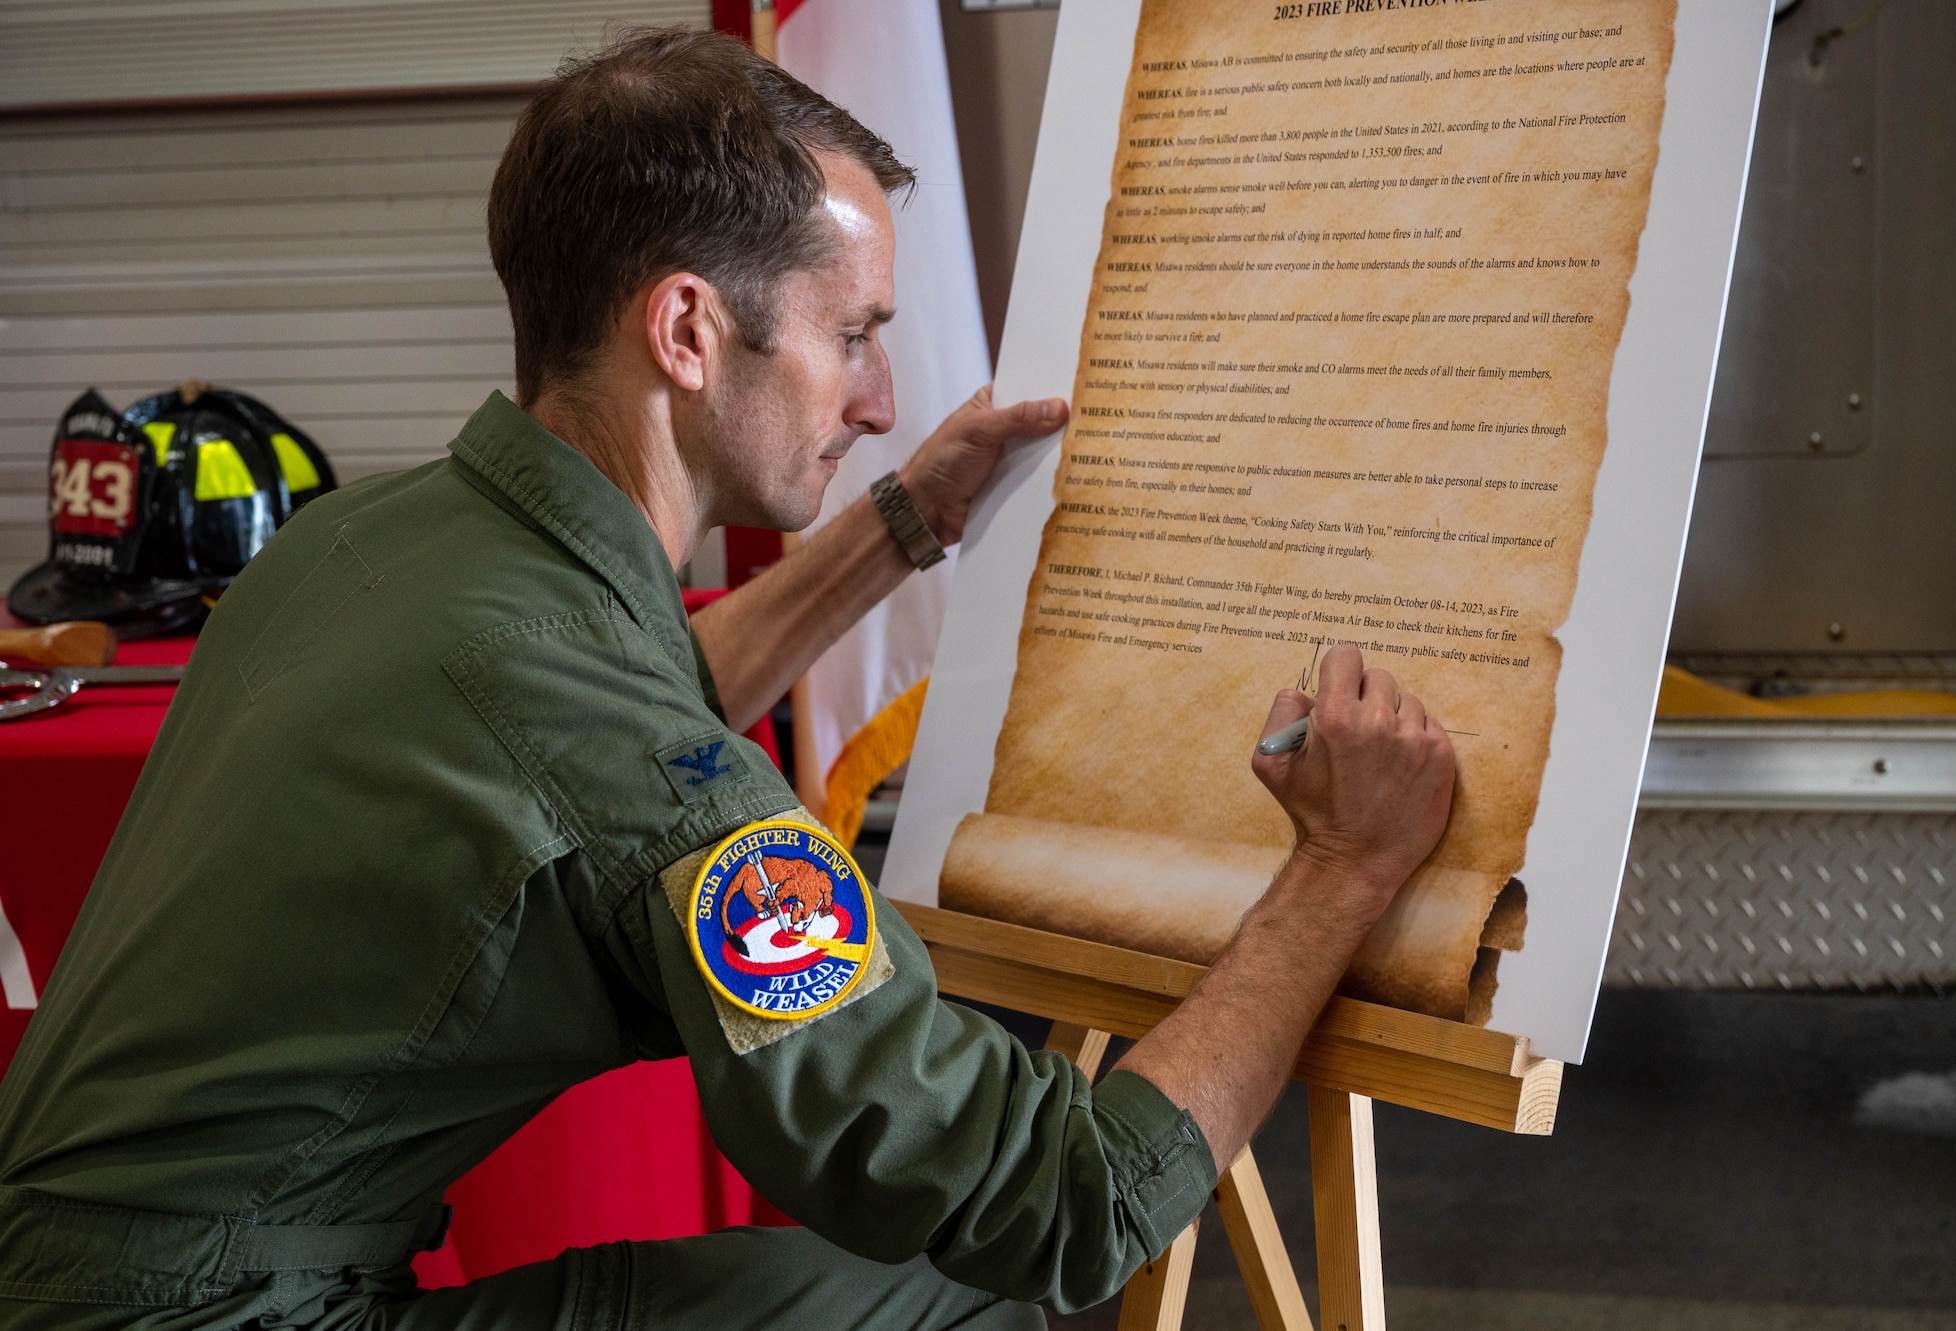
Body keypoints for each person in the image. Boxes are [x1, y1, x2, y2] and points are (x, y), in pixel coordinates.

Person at [0, 27, 1454, 1331]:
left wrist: (904, 528)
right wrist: (1342, 867)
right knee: (962, 1300)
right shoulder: (601, 736)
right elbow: (1061, 1206)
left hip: (74, 1276)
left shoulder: (378, 541)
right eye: (855, 336)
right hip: (221, 1316)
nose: (882, 402)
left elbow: (615, 710)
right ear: (688, 332)